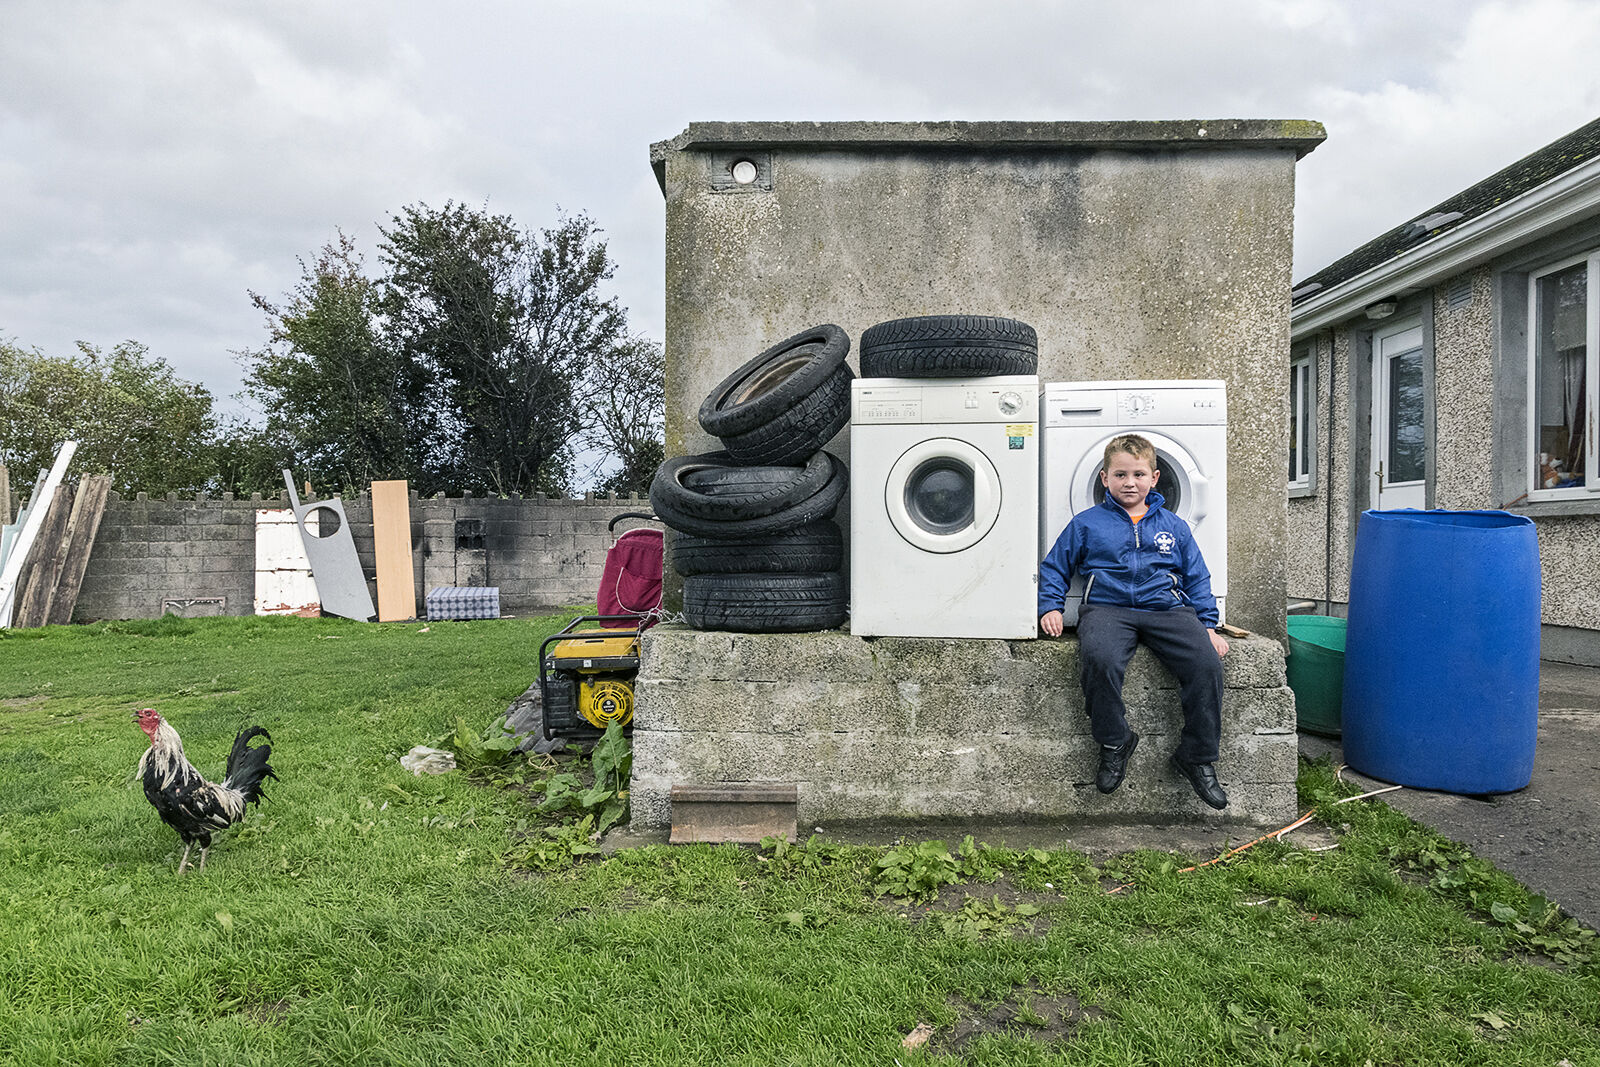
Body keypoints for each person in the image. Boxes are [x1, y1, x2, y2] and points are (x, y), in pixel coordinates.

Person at [1038, 433, 1230, 809]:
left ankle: (1197, 755)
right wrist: (1051, 606)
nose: (1130, 482)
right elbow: (1055, 566)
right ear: (1104, 479)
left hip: (1167, 610)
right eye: (1121, 474)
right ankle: (1115, 741)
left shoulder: (1174, 526)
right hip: (1108, 609)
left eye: (1139, 474)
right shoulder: (1086, 524)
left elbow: (1197, 576)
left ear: (1155, 478)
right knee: (1100, 660)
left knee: (1206, 664)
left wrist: (1209, 625)